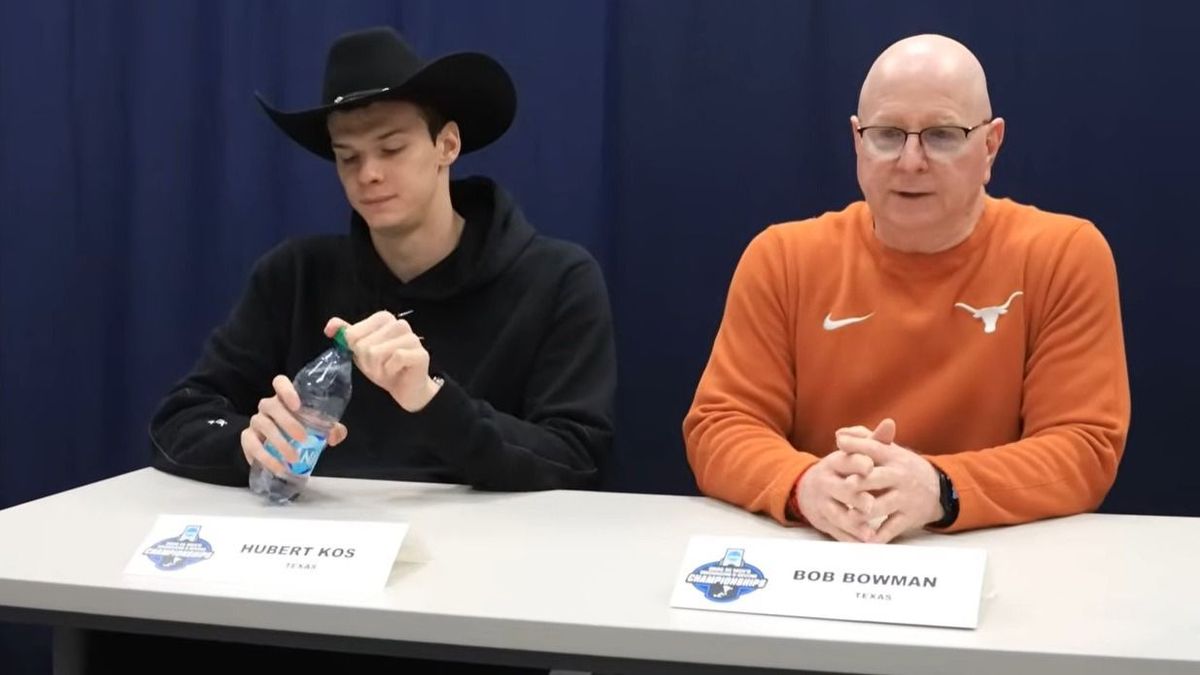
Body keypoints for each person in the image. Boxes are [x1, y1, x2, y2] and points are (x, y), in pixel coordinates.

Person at [683, 34, 1130, 544]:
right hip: (825, 551)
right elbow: (720, 426)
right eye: (887, 134)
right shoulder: (782, 258)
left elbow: (1083, 447)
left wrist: (939, 488)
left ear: (990, 145)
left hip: (1000, 557)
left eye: (942, 135)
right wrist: (805, 485)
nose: (911, 160)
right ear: (857, 141)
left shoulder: (1063, 254)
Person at [150, 26, 615, 495]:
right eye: (347, 158)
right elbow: (180, 419)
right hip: (315, 535)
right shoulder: (294, 275)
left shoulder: (556, 280)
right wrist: (250, 444)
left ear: (447, 145)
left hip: (487, 539)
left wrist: (433, 400)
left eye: (392, 149)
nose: (368, 174)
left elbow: (576, 458)